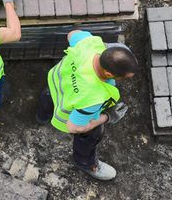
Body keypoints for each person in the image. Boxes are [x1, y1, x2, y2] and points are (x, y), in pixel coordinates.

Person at [36, 30, 138, 180]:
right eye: (124, 77)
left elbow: (71, 34)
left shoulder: (90, 44)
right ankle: (85, 162)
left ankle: (41, 117)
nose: (125, 79)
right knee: (92, 135)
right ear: (109, 74)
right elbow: (74, 127)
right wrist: (107, 116)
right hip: (71, 108)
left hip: (56, 86)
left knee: (48, 98)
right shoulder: (93, 97)